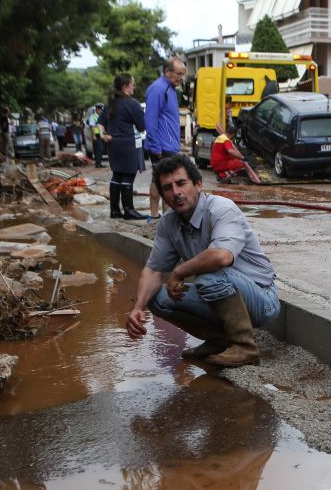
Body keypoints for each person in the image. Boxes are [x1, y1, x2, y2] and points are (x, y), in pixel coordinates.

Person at [125, 155, 280, 368]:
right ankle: (219, 341)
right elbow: (153, 271)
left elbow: (221, 256)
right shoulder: (168, 223)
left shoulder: (221, 208)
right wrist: (138, 307)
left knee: (209, 277)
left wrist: (179, 272)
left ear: (198, 184)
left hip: (262, 299)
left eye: (181, 183)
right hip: (222, 290)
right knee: (156, 298)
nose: (176, 192)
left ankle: (245, 346)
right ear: (163, 195)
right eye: (168, 188)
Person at [99, 73, 147, 220]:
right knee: (128, 175)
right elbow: (142, 127)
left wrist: (102, 135)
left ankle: (114, 210)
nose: (134, 87)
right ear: (126, 87)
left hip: (112, 144)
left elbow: (100, 123)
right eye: (133, 84)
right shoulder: (132, 103)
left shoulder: (110, 103)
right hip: (127, 144)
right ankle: (129, 210)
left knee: (117, 175)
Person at [145, 56, 187, 220]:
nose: (181, 78)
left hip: (169, 145)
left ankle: (166, 218)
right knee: (161, 181)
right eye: (178, 74)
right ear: (167, 72)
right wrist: (155, 146)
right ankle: (155, 216)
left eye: (183, 74)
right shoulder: (158, 89)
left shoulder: (170, 89)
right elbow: (150, 119)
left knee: (166, 181)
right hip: (162, 146)